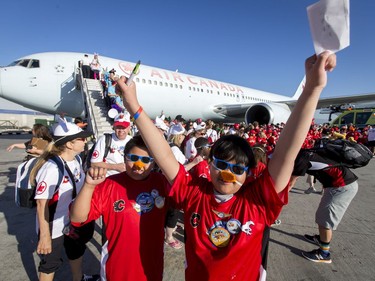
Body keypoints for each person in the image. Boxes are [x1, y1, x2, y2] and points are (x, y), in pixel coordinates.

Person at [113, 51, 337, 280]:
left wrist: (312, 89)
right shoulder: (194, 194)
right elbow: (164, 154)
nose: (228, 174)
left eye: (238, 169)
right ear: (209, 164)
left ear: (249, 174)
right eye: (221, 164)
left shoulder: (258, 201)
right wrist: (133, 105)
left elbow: (286, 153)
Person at [70, 135, 170, 280]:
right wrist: (88, 186)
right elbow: (77, 218)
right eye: (133, 158)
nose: (138, 166)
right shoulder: (110, 184)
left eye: (146, 160)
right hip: (117, 269)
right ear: (124, 159)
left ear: (154, 163)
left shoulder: (162, 182)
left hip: (151, 267)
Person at [29, 118, 98, 281]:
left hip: (71, 222)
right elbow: (41, 204)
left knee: (76, 251)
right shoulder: (51, 168)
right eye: (81, 138)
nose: (85, 141)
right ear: (69, 144)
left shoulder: (77, 160)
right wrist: (45, 236)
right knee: (50, 263)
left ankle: (78, 278)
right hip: (53, 226)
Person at [292, 148, 359, 264]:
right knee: (322, 216)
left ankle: (324, 254)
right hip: (339, 184)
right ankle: (321, 239)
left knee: (325, 220)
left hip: (341, 186)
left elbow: (290, 182)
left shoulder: (302, 158)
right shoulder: (307, 153)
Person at [90, 112, 132, 177]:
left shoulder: (132, 140)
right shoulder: (104, 139)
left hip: (128, 181)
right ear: (114, 127)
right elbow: (94, 163)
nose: (121, 130)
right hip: (109, 180)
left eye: (124, 127)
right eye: (118, 127)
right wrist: (115, 167)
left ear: (129, 127)